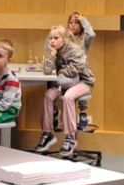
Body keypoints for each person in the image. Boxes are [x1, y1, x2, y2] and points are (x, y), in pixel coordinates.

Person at [36, 25, 95, 156]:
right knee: (48, 95)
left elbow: (75, 70)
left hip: (83, 82)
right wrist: (52, 55)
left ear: (65, 39)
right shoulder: (54, 51)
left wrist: (61, 71)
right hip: (65, 83)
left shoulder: (75, 50)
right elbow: (46, 70)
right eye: (51, 38)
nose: (52, 41)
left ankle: (70, 136)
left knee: (68, 97)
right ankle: (48, 133)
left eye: (56, 38)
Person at [66, 11, 96, 130]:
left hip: (82, 73)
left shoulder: (84, 40)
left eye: (76, 23)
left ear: (82, 26)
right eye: (71, 22)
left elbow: (91, 34)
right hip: (68, 73)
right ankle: (55, 111)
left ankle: (83, 111)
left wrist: (83, 20)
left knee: (80, 82)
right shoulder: (64, 38)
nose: (73, 25)